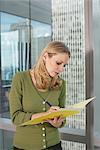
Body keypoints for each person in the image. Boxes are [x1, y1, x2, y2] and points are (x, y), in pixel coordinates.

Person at [9, 41, 70, 150]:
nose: (61, 69)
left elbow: (62, 118)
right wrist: (45, 115)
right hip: (24, 147)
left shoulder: (61, 84)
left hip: (54, 146)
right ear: (45, 57)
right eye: (58, 63)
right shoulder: (20, 79)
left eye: (64, 65)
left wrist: (57, 123)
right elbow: (15, 117)